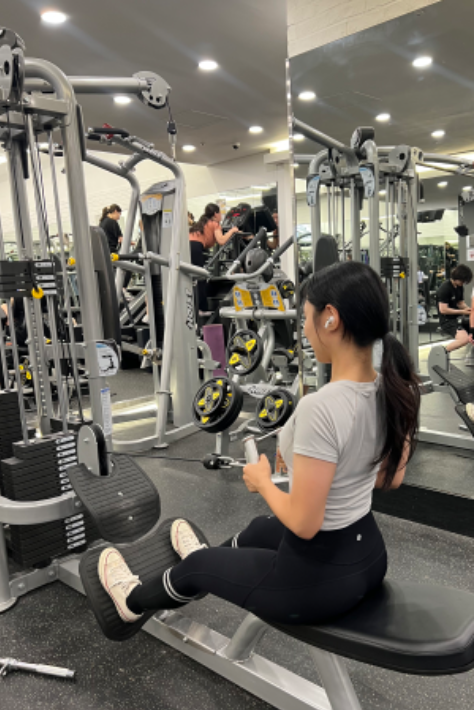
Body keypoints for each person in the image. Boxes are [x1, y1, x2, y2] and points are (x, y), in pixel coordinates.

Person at [96, 261, 421, 628]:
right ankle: (210, 569)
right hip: (368, 556)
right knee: (258, 530)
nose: (304, 330)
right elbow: (390, 478)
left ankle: (132, 601)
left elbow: (304, 524)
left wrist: (262, 481)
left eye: (306, 318)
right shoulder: (395, 387)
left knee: (199, 566)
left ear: (330, 318)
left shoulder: (322, 407)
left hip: (316, 583)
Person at [189, 203, 239, 314]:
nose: (221, 216)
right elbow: (221, 240)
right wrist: (233, 230)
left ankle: (193, 309)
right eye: (220, 213)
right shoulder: (215, 224)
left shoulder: (201, 223)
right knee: (200, 278)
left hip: (187, 247)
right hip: (195, 248)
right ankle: (202, 309)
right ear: (216, 214)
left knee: (192, 279)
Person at [436, 264, 473, 352]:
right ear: (457, 277)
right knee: (464, 339)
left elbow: (460, 303)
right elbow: (443, 310)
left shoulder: (459, 287)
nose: (463, 283)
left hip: (458, 318)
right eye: (463, 280)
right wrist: (463, 312)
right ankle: (442, 353)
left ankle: (471, 354)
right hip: (447, 321)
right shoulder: (445, 288)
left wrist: (470, 311)